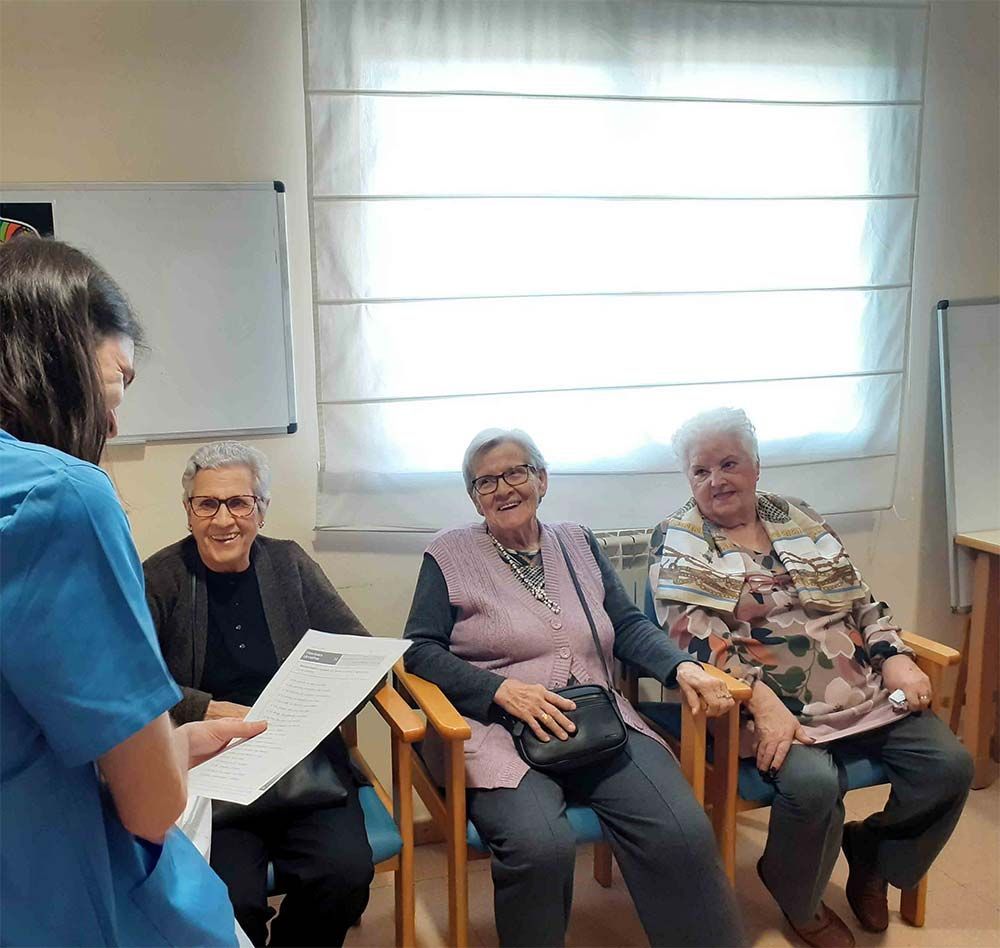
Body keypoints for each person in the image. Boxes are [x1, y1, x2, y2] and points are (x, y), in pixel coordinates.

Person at [0, 236, 265, 946]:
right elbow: (150, 806)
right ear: (56, 355)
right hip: (64, 891)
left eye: (240, 503)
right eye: (116, 382)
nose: (113, 421)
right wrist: (173, 750)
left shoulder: (289, 564)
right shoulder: (65, 497)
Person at [403, 427, 746, 948]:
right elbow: (419, 651)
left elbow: (627, 625)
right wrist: (499, 691)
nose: (503, 488)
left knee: (683, 831)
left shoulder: (577, 541)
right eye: (485, 481)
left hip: (603, 722)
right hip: (501, 733)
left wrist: (681, 668)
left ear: (541, 479)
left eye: (515, 472)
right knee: (540, 848)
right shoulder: (449, 553)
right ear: (474, 497)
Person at [648, 407, 974, 948]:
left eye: (728, 463)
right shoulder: (679, 537)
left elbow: (861, 601)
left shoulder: (798, 517)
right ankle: (797, 895)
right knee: (815, 784)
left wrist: (893, 654)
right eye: (700, 471)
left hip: (863, 689)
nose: (716, 480)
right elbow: (690, 638)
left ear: (756, 466)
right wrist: (756, 699)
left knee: (949, 766)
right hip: (767, 704)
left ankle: (872, 851)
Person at [142, 441, 374, 947]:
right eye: (207, 504)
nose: (223, 519)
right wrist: (203, 708)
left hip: (299, 760)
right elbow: (135, 678)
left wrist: (322, 697)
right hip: (211, 768)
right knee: (229, 901)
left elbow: (357, 649)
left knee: (345, 876)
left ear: (261, 511)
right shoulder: (161, 577)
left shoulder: (289, 563)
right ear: (188, 512)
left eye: (239, 503)